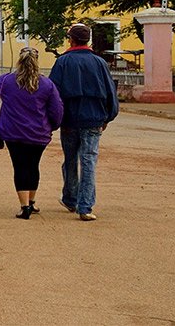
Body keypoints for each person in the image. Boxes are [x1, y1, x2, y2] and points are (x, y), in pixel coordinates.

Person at [48, 23, 119, 221]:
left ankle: (70, 198)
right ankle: (85, 206)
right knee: (89, 161)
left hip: (69, 120)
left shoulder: (62, 62)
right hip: (93, 118)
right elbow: (109, 92)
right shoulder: (99, 63)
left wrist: (53, 119)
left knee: (70, 159)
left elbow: (53, 94)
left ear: (71, 39)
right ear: (87, 40)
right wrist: (108, 117)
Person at [0, 47, 63, 219]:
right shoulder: (46, 84)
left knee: (20, 166)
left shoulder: (7, 81)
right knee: (33, 166)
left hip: (13, 133)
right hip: (39, 133)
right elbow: (57, 109)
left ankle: (24, 207)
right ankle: (31, 201)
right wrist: (52, 126)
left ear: (19, 60)